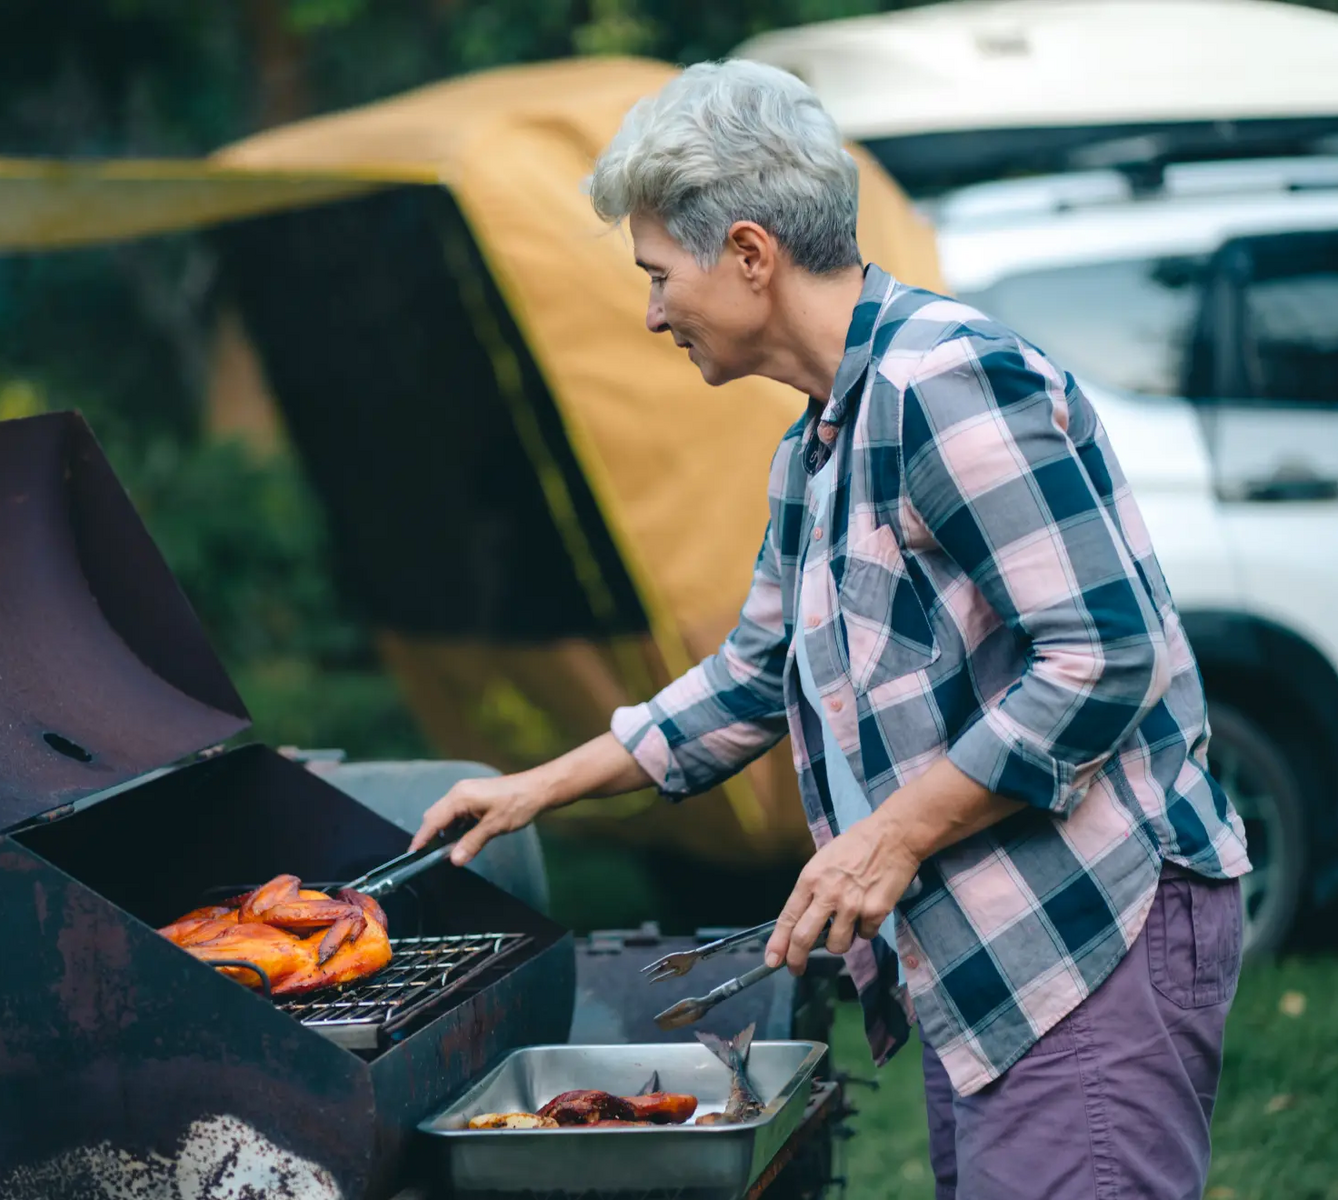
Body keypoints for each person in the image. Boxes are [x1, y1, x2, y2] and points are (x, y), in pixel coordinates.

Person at [410, 59, 1251, 1200]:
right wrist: (532, 789)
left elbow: (1106, 653)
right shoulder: (821, 439)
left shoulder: (944, 384)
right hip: (993, 953)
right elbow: (754, 678)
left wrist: (888, 838)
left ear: (751, 255)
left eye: (660, 276)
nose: (652, 311)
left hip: (1091, 927)